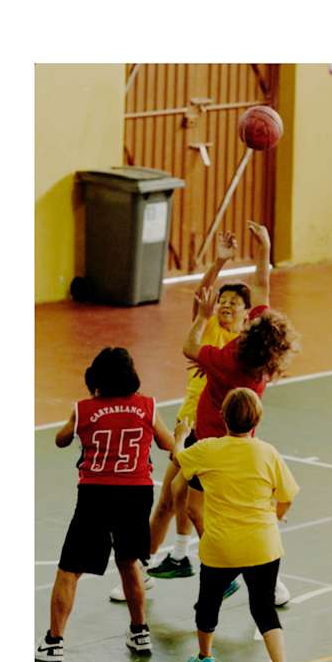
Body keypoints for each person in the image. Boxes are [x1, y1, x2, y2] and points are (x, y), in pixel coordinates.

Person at [123, 226, 274, 597]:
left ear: (247, 313)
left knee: (195, 504)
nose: (224, 305)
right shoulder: (210, 332)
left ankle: (242, 572)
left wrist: (262, 255)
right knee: (170, 498)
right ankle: (151, 565)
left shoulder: (238, 349)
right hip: (190, 423)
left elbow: (262, 287)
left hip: (218, 435)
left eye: (234, 302)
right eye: (222, 300)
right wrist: (220, 260)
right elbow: (201, 301)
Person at [40, 348, 174, 662]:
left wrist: (77, 423)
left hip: (96, 494)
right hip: (137, 493)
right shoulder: (147, 407)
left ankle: (53, 641)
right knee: (129, 563)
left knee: (69, 569)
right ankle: (140, 632)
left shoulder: (84, 409)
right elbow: (167, 444)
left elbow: (60, 439)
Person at [169, 388, 300, 662]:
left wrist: (181, 435)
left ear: (222, 417)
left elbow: (178, 458)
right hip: (263, 545)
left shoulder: (207, 449)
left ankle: (205, 659)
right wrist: (275, 516)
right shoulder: (268, 453)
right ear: (257, 420)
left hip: (221, 547)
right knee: (264, 609)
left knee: (207, 605)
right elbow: (287, 496)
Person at [179, 279, 300, 608]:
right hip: (241, 447)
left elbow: (189, 348)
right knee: (223, 512)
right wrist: (263, 249)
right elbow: (262, 286)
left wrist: (203, 317)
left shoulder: (229, 359)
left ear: (248, 329)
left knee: (205, 511)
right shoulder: (262, 353)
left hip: (214, 444)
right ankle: (262, 580)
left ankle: (229, 569)